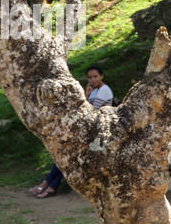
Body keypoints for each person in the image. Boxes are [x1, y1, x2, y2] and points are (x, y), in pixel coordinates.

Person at [30, 65, 115, 198]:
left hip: (97, 132)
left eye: (95, 76)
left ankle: (49, 184)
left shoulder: (104, 90)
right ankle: (49, 184)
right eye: (90, 77)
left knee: (66, 153)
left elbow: (92, 111)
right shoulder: (94, 91)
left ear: (101, 76)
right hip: (89, 129)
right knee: (63, 153)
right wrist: (87, 94)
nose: (92, 80)